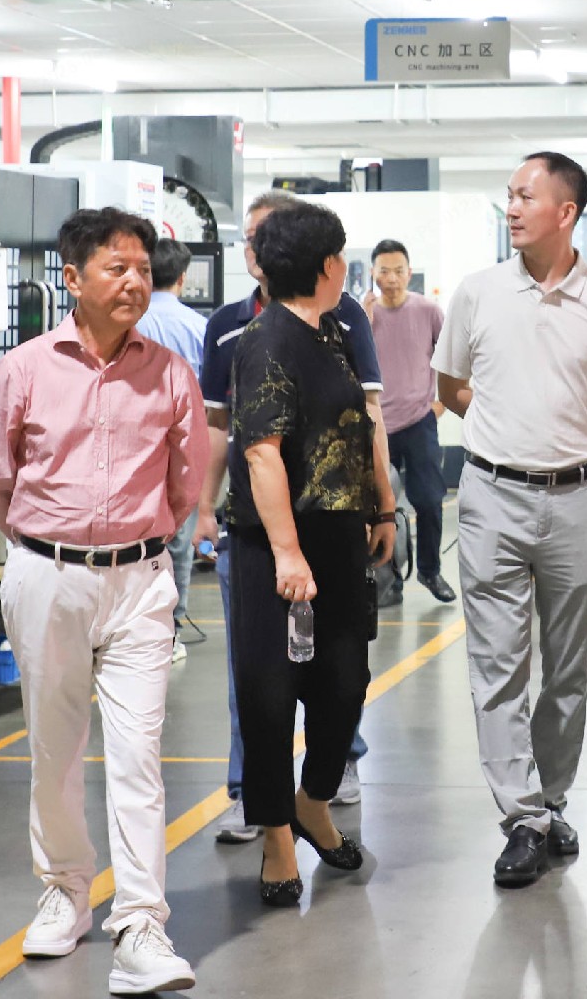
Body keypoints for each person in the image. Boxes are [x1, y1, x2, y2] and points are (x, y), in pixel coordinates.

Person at [0, 207, 204, 994]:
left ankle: (140, 925)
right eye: (117, 267)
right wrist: (48, 546)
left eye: (142, 267)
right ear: (73, 278)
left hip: (140, 582)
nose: (135, 281)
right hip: (48, 576)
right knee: (55, 748)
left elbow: (185, 483)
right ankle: (66, 891)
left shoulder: (170, 373)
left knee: (138, 754)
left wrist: (136, 545)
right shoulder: (25, 370)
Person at [434, 151, 587, 888]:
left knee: (568, 669)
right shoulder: (478, 291)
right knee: (497, 666)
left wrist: (554, 437)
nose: (513, 208)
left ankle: (551, 800)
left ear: (566, 211)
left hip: (578, 497)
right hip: (491, 495)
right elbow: (451, 386)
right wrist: (506, 428)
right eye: (509, 196)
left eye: (526, 196)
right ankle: (522, 815)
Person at [198, 192, 387, 841]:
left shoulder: (335, 328)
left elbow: (365, 422)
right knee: (268, 695)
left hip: (338, 537)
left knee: (345, 682)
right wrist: (286, 551)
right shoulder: (265, 340)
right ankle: (277, 839)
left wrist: (384, 508)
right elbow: (260, 452)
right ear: (326, 264)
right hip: (275, 545)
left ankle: (313, 800)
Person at [366, 238, 455, 603]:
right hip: (376, 427)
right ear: (372, 272)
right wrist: (364, 319)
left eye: (398, 271)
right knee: (377, 507)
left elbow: (451, 361)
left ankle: (430, 571)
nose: (391, 278)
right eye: (384, 271)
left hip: (419, 421)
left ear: (410, 273)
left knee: (430, 501)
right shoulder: (361, 314)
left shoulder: (429, 311)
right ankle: (388, 582)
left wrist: (441, 403)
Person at [137, 236, 211, 659]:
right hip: (183, 443)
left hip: (134, 447)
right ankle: (172, 628)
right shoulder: (200, 327)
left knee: (134, 536)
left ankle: (132, 626)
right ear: (183, 277)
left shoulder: (130, 323)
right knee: (179, 536)